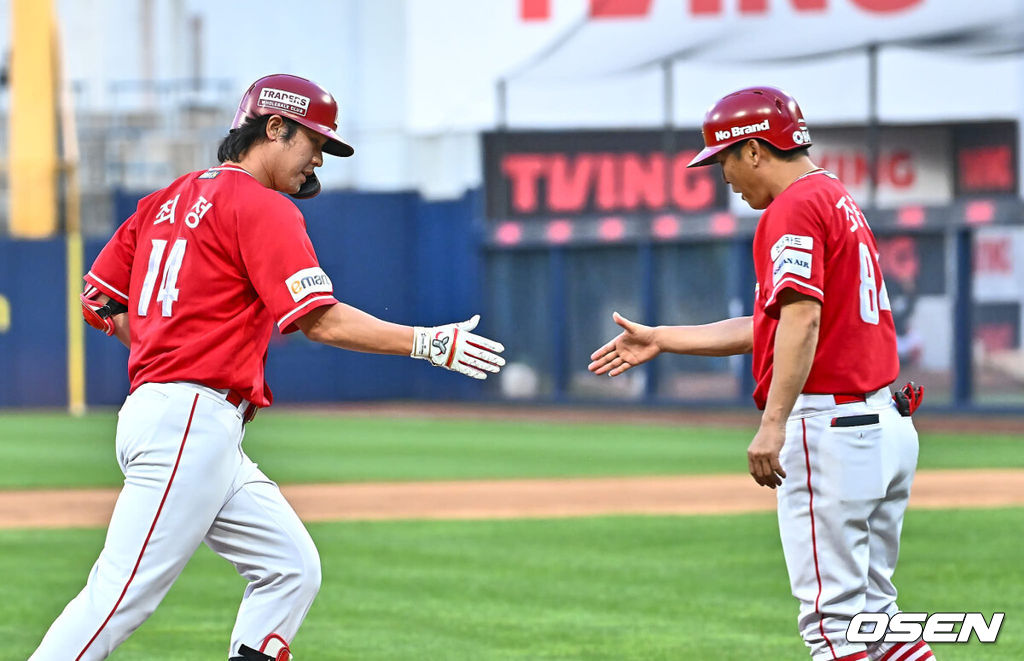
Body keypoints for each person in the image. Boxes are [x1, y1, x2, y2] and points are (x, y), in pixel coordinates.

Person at [31, 73, 505, 661]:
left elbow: (99, 299)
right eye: (314, 143)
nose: (317, 163)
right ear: (274, 126)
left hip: (186, 421)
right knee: (118, 597)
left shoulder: (162, 201)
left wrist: (163, 340)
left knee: (290, 567)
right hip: (187, 419)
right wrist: (427, 343)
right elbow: (319, 320)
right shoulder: (261, 206)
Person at [589, 87, 934, 661]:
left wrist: (773, 424)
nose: (722, 175)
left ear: (754, 151)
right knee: (878, 622)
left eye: (723, 158)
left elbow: (801, 318)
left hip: (831, 430)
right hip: (882, 425)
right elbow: (771, 324)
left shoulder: (791, 208)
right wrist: (662, 338)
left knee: (834, 629)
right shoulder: (833, 196)